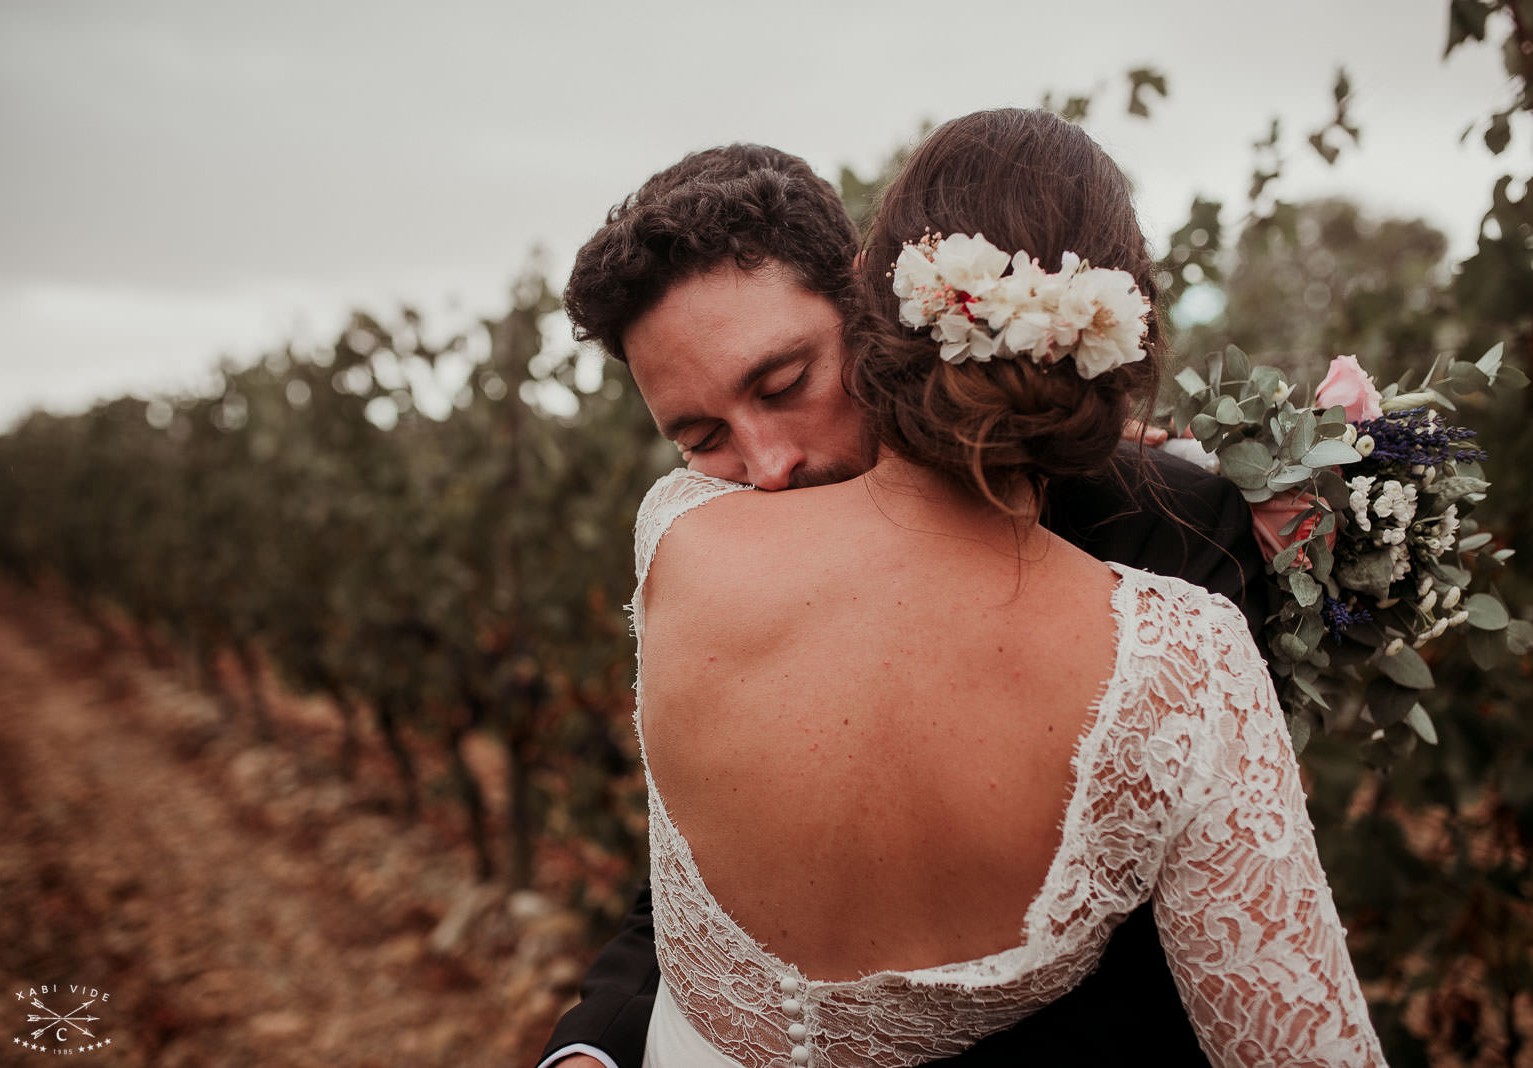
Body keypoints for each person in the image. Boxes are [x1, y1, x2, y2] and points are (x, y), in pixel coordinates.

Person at [537, 126, 1308, 1067]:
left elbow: (1211, 917)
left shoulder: (1172, 528)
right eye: (701, 438)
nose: (767, 469)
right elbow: (697, 861)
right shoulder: (701, 541)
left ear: (875, 302)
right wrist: (593, 1047)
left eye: (786, 383)